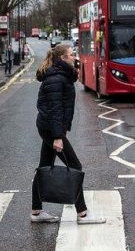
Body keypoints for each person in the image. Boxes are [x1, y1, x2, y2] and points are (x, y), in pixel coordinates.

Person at [31, 44, 105, 224]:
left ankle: (36, 211)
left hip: (49, 127)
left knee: (44, 166)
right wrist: (58, 136)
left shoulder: (61, 75)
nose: (75, 57)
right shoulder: (57, 78)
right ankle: (83, 214)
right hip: (51, 129)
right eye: (72, 55)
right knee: (75, 167)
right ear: (63, 58)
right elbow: (56, 109)